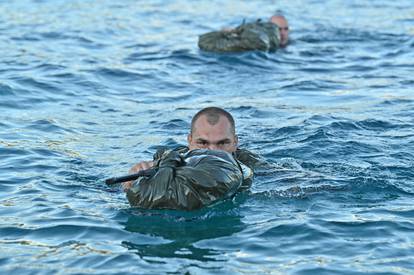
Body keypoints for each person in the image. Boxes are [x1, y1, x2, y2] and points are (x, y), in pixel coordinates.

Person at [123, 107, 258, 191]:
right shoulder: (172, 158)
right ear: (190, 141)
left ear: (235, 142)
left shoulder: (249, 162)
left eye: (222, 143)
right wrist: (130, 182)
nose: (212, 151)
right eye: (202, 143)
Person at [198, 14, 289, 52]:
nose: (282, 33)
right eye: (279, 29)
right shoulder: (259, 39)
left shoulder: (292, 45)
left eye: (286, 29)